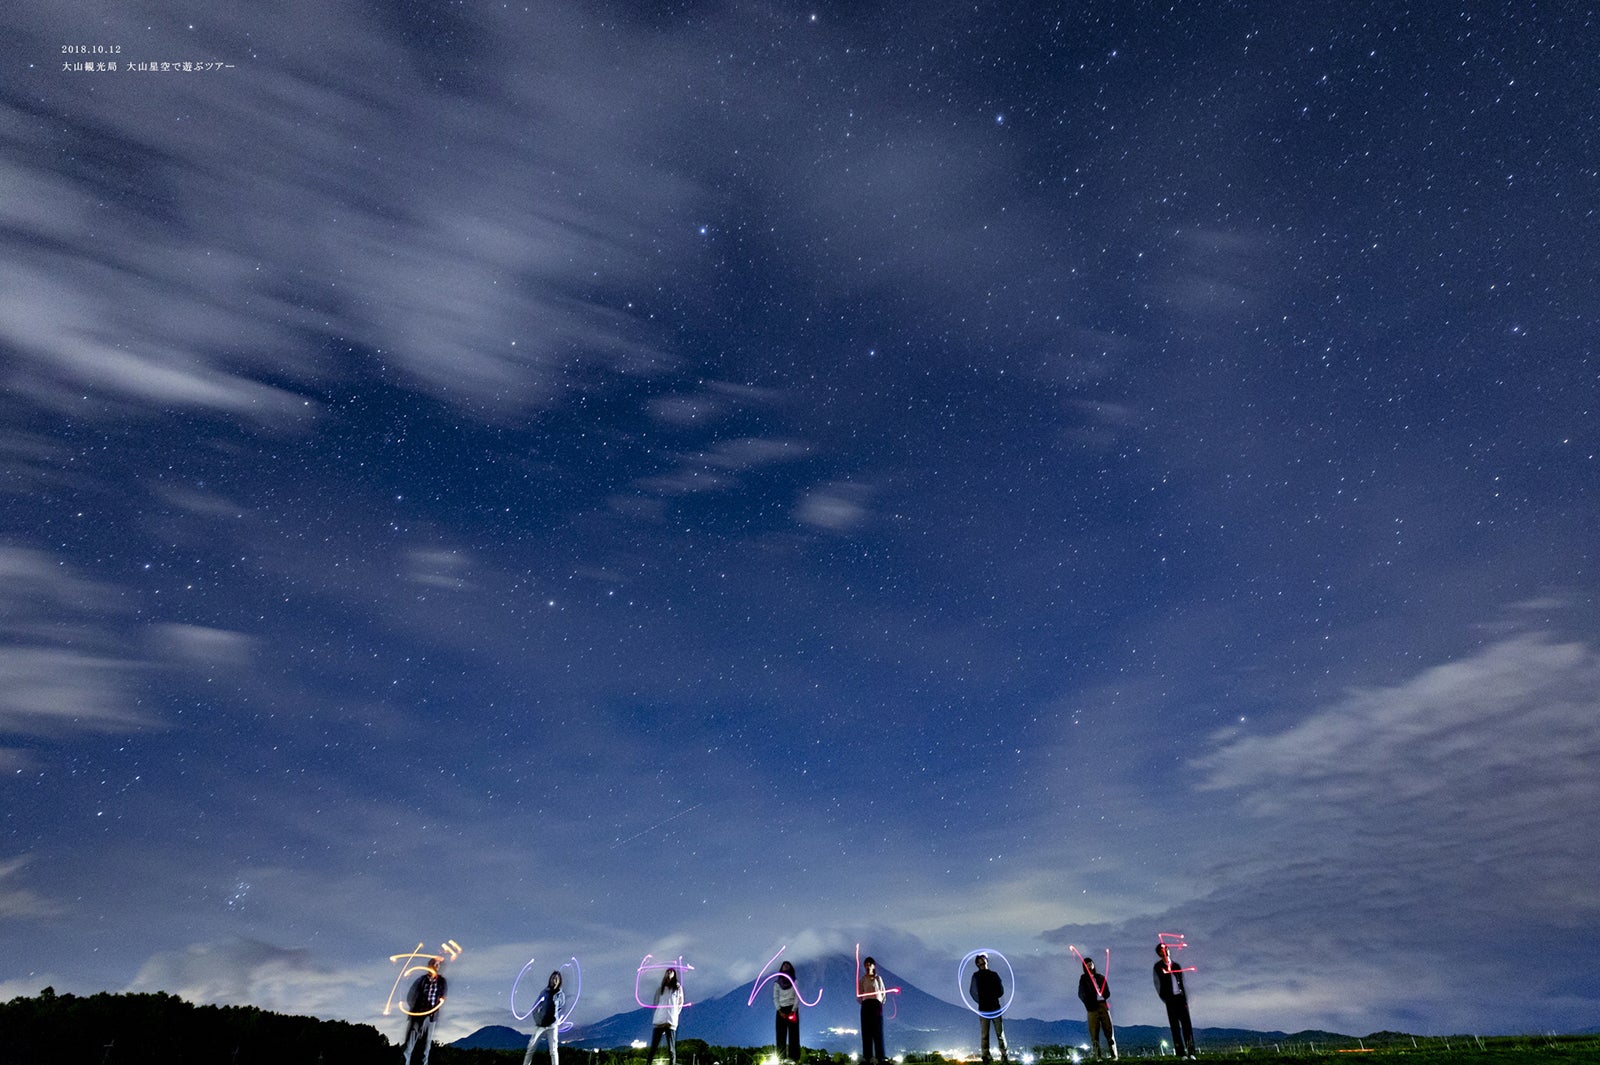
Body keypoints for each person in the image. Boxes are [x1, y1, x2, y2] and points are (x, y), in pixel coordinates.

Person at [400, 956, 448, 1065]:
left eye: (438, 964)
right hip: (417, 1016)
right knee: (408, 1046)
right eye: (435, 964)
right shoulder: (421, 980)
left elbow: (443, 997)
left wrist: (440, 1001)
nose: (437, 966)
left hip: (431, 1018)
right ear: (430, 966)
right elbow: (410, 995)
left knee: (426, 1049)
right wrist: (415, 1009)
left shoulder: (441, 981)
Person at [1154, 943, 1196, 1059]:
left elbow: (1181, 982)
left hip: (1180, 999)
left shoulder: (1176, 966)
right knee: (1175, 1028)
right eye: (1163, 949)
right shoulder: (1158, 967)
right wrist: (1166, 998)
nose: (1166, 950)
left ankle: (1191, 1052)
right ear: (1159, 953)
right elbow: (1158, 984)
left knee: (1187, 1026)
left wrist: (1185, 999)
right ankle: (1181, 1053)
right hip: (1171, 1001)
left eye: (1166, 948)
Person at [968, 953, 1008, 1063]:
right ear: (977, 963)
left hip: (994, 1008)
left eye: (983, 960)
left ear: (986, 962)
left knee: (999, 1033)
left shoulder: (994, 975)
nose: (982, 963)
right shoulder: (976, 976)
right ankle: (986, 1056)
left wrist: (986, 998)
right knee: (986, 1034)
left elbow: (1000, 990)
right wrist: (983, 1000)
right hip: (986, 1009)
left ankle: (1003, 1056)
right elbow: (972, 991)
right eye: (980, 961)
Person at [522, 970, 565, 1065]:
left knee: (553, 1050)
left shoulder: (561, 995)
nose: (554, 980)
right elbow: (535, 1007)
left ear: (559, 981)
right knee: (531, 1047)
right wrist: (538, 1020)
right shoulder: (544, 992)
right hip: (541, 1025)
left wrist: (554, 1018)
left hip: (552, 1025)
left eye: (556, 979)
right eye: (553, 978)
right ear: (550, 979)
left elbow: (560, 1007)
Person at [1076, 956, 1115, 1060]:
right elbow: (1081, 993)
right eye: (1087, 963)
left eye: (1090, 963)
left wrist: (1103, 996)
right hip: (1091, 1007)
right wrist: (1088, 1004)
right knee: (1094, 1031)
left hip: (1102, 1004)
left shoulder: (1101, 977)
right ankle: (1097, 1055)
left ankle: (1113, 1054)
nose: (1089, 964)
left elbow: (1107, 991)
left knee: (1108, 1028)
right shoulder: (1083, 979)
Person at [649, 968, 684, 1065]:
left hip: (671, 1021)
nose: (669, 973)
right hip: (659, 1020)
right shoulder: (660, 989)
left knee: (671, 1049)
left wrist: (674, 1013)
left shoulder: (677, 989)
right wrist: (657, 1013)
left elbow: (680, 1003)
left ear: (674, 974)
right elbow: (655, 1003)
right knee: (653, 1047)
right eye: (668, 971)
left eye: (671, 971)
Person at [857, 956, 887, 1065]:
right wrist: (864, 1001)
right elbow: (859, 994)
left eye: (870, 963)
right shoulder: (862, 979)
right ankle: (867, 1057)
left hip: (876, 1005)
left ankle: (880, 1058)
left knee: (878, 1031)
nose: (868, 965)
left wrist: (879, 1002)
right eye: (866, 964)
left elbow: (883, 992)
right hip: (866, 1005)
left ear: (874, 965)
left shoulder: (878, 979)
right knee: (866, 1032)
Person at [773, 959, 802, 1064]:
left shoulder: (795, 981)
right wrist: (779, 1009)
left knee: (794, 1033)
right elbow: (775, 997)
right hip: (781, 1009)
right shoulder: (777, 983)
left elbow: (797, 997)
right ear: (781, 968)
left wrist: (794, 1010)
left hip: (792, 1009)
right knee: (780, 1034)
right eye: (783, 965)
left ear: (790, 968)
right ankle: (781, 1058)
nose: (785, 966)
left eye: (787, 965)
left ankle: (793, 1057)